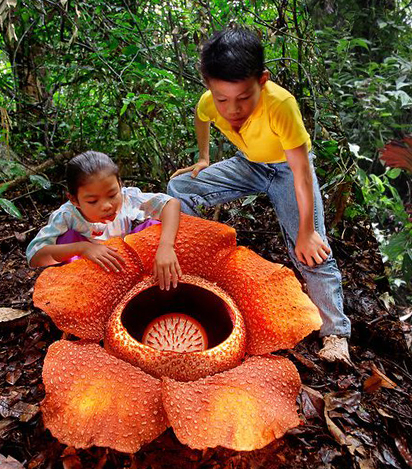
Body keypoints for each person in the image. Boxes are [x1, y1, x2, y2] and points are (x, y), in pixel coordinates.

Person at [167, 27, 351, 363]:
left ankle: (336, 334)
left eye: (243, 98)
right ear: (209, 86)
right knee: (181, 189)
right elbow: (202, 117)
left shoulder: (281, 105)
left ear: (262, 80)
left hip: (286, 171)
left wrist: (307, 232)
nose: (232, 109)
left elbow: (301, 174)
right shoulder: (209, 102)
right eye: (222, 99)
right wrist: (204, 157)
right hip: (248, 163)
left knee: (312, 252)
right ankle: (194, 269)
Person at [27, 151, 182, 291]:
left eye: (112, 194)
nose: (107, 206)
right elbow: (35, 256)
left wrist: (166, 246)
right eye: (93, 201)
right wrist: (83, 248)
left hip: (125, 265)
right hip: (86, 277)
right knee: (65, 239)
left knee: (155, 227)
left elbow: (169, 204)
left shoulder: (127, 198)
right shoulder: (67, 216)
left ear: (120, 184)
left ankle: (158, 279)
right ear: (74, 200)